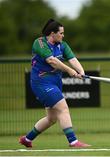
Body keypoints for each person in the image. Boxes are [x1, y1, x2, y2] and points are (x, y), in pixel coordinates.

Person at [19, 19, 90, 148]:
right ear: (53, 33)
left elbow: (73, 59)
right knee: (63, 109)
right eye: (61, 33)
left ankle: (27, 139)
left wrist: (81, 71)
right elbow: (52, 61)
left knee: (51, 119)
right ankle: (73, 141)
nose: (63, 36)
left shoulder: (63, 45)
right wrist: (69, 70)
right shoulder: (39, 43)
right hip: (41, 83)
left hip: (55, 82)